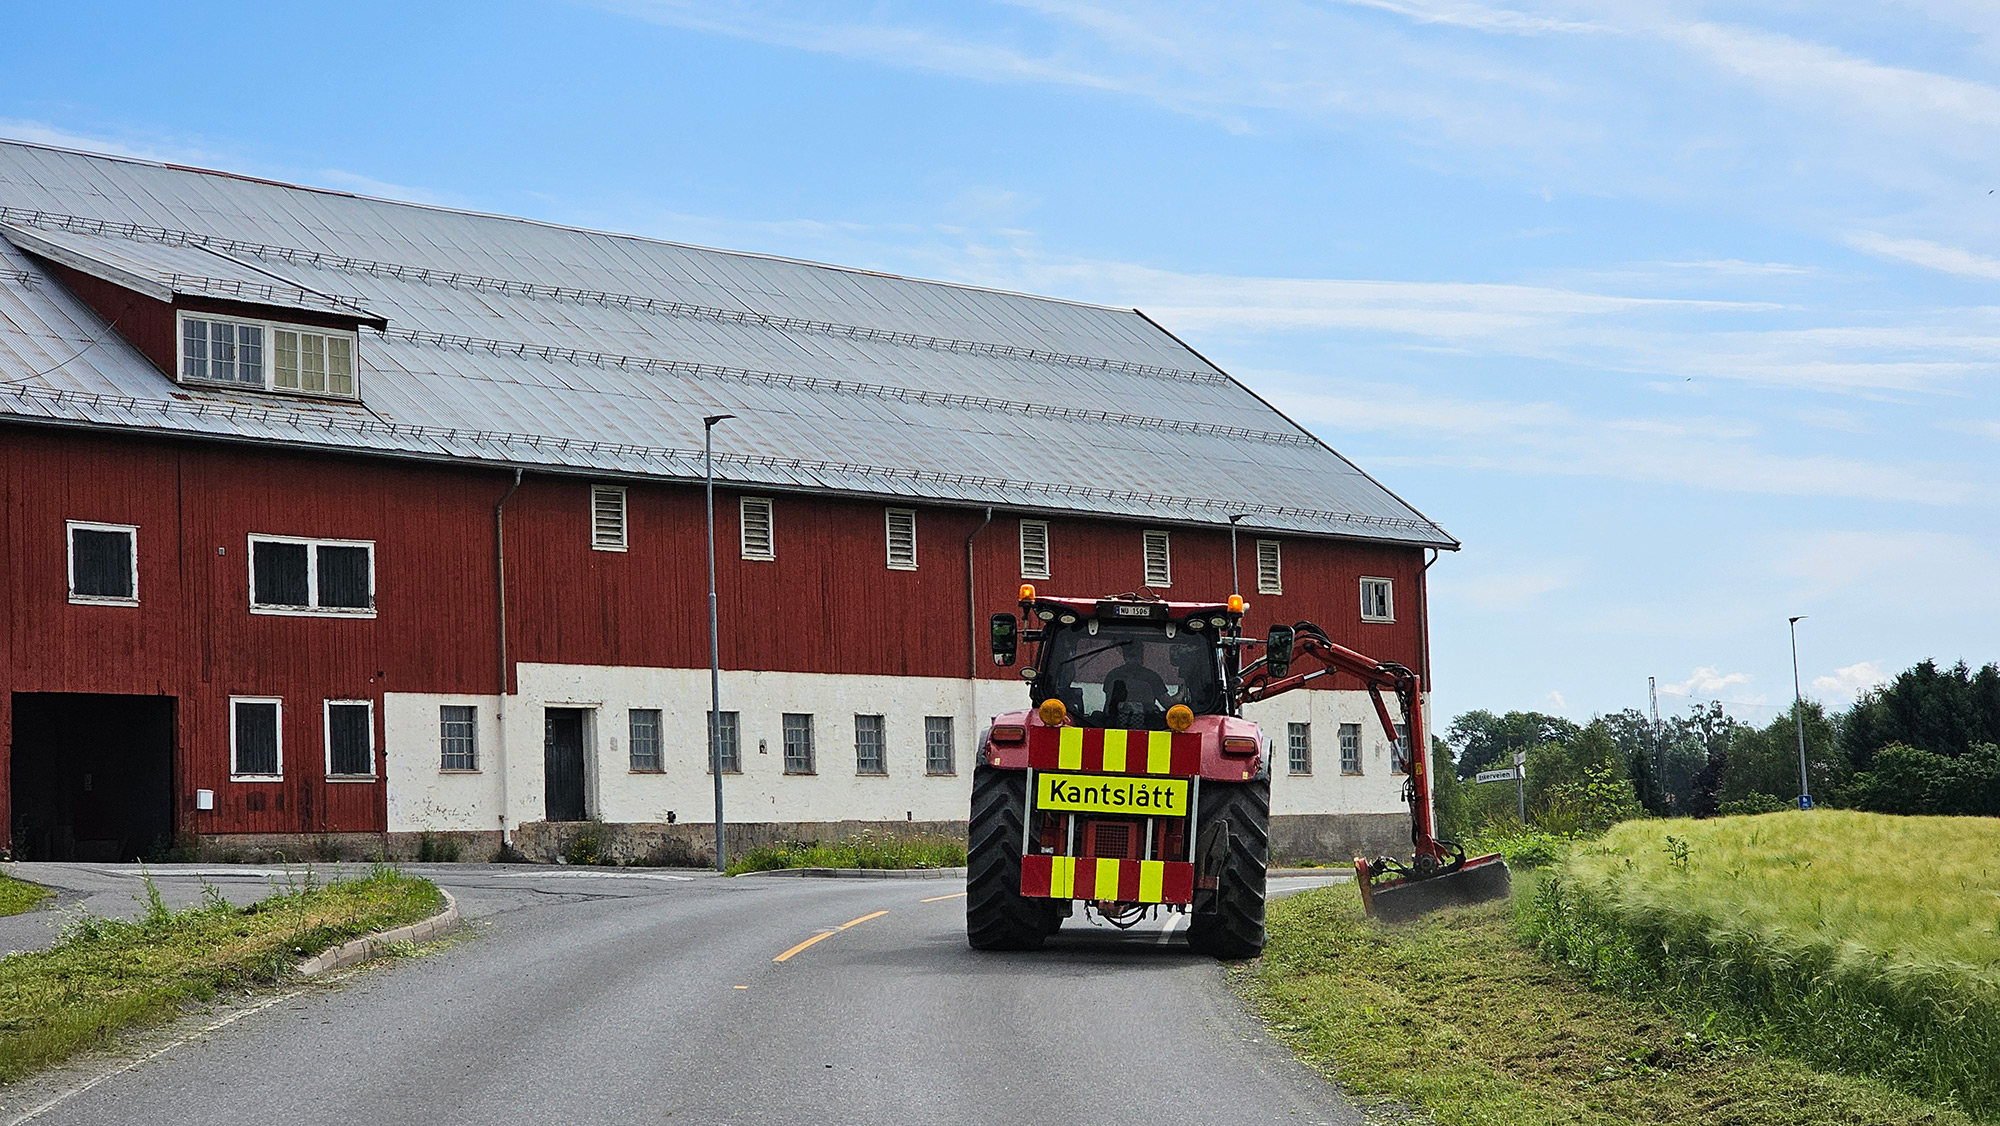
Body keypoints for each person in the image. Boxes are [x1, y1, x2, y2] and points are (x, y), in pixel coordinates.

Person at [1103, 645, 1168, 727]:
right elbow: (1168, 703)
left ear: (1124, 656)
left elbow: (1108, 703)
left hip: (1113, 727)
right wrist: (1181, 695)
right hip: (1149, 729)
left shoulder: (1113, 675)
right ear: (1141, 656)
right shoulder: (1152, 677)